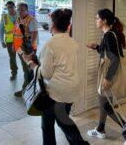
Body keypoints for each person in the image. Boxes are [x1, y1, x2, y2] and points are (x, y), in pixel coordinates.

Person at [22, 9, 89, 145]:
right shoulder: (73, 42)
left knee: (63, 123)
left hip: (56, 93)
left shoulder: (50, 45)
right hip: (71, 89)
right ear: (68, 26)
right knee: (51, 122)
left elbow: (45, 74)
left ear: (52, 25)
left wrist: (29, 62)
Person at [86, 8, 126, 139]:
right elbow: (109, 54)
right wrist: (97, 47)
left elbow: (114, 59)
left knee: (106, 106)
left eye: (97, 18)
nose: (95, 21)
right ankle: (100, 129)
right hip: (108, 73)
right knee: (103, 102)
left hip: (109, 75)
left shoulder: (109, 36)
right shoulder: (110, 34)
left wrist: (108, 79)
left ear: (104, 21)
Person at [13, 2, 38, 97]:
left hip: (27, 49)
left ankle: (26, 90)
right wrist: (14, 45)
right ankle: (29, 89)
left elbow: (34, 34)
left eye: (22, 10)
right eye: (18, 9)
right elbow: (16, 32)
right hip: (19, 48)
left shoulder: (31, 20)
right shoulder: (18, 19)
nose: (19, 11)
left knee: (27, 69)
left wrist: (30, 49)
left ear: (27, 10)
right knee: (26, 69)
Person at [0, 1, 18, 81]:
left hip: (20, 40)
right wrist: (2, 41)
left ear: (14, 7)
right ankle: (14, 72)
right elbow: (0, 29)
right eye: (8, 7)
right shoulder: (5, 17)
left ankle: (27, 74)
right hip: (9, 41)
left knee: (23, 58)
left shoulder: (19, 15)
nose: (10, 9)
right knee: (12, 58)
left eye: (11, 7)